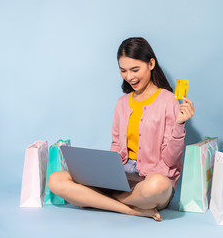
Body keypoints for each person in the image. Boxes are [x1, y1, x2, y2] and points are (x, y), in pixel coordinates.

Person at [48, 37, 195, 221]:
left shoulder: (168, 101)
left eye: (135, 69)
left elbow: (171, 161)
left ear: (151, 63)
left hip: (151, 180)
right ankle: (130, 209)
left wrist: (179, 125)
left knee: (158, 186)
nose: (129, 77)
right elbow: (116, 146)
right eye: (123, 70)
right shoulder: (122, 103)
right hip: (121, 177)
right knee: (55, 179)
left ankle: (99, 200)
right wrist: (105, 173)